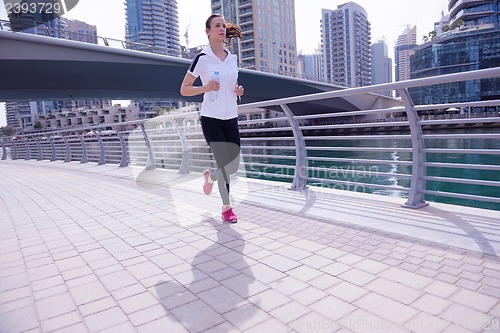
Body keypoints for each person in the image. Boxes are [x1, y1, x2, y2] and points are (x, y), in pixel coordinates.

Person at [180, 14, 244, 223]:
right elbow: (184, 89)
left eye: (223, 26)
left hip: (231, 116)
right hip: (211, 117)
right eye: (217, 26)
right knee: (224, 161)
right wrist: (205, 87)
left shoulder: (232, 57)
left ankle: (211, 176)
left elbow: (232, 85)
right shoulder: (202, 58)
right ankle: (227, 207)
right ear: (207, 31)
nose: (222, 29)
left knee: (232, 164)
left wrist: (239, 90)